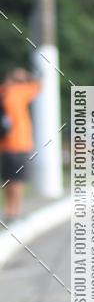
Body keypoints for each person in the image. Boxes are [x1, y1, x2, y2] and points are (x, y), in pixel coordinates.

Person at [0, 68, 41, 223]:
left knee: (9, 180)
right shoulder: (21, 91)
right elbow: (38, 85)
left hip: (6, 145)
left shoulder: (4, 92)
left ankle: (10, 212)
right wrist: (27, 76)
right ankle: (13, 212)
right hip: (19, 144)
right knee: (15, 180)